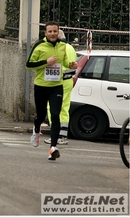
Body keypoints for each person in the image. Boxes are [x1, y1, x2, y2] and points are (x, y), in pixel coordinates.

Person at [26, 21, 78, 161]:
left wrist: (71, 64)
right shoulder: (39, 46)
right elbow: (29, 65)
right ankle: (37, 130)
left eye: (55, 31)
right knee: (41, 116)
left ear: (58, 32)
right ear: (45, 33)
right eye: (50, 31)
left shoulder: (63, 46)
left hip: (57, 86)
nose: (53, 34)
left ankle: (53, 148)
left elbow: (66, 63)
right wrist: (46, 62)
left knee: (55, 115)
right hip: (41, 86)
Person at [44, 29, 77, 145]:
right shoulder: (71, 48)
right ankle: (62, 135)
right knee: (65, 107)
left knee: (52, 107)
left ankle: (55, 134)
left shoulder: (58, 48)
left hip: (57, 81)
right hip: (68, 80)